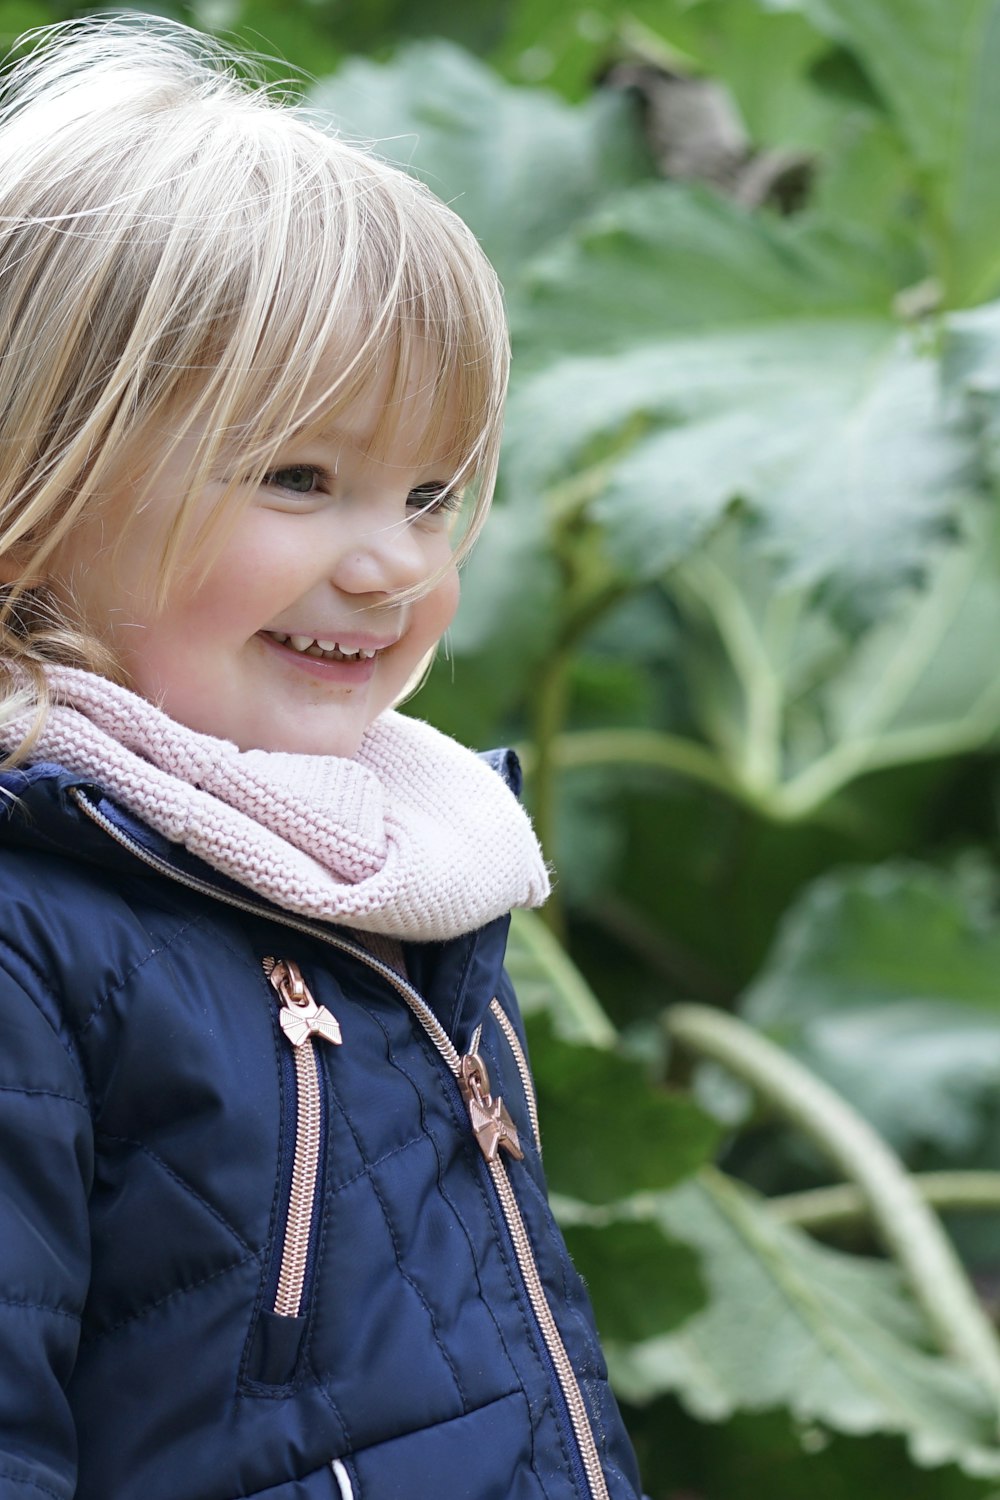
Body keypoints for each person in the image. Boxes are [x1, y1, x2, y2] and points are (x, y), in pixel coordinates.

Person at [0, 17, 645, 1500]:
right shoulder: (34, 928)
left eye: (430, 495)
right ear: (38, 483)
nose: (391, 567)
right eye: (301, 478)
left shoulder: (392, 872)